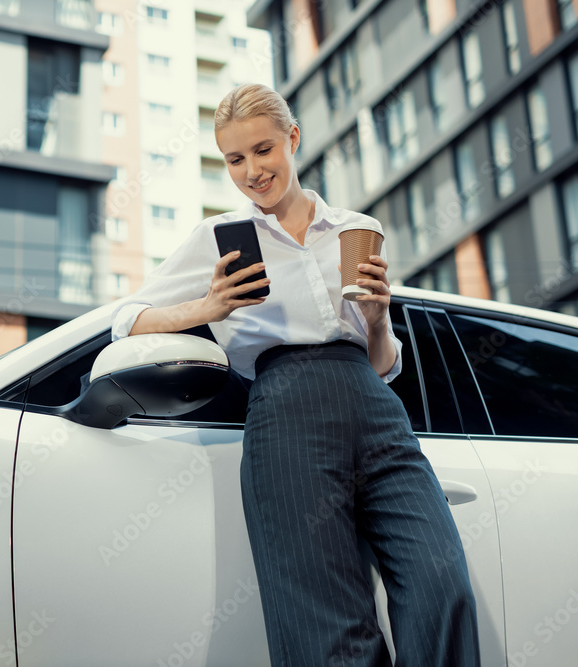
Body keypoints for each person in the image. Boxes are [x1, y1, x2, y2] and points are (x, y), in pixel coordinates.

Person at [110, 84, 480, 666]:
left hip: (375, 407)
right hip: (286, 414)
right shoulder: (218, 239)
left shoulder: (355, 228)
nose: (253, 172)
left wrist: (379, 320)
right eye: (235, 159)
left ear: (293, 138)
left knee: (442, 584)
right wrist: (208, 309)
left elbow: (383, 363)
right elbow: (125, 320)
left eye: (263, 150)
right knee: (327, 623)